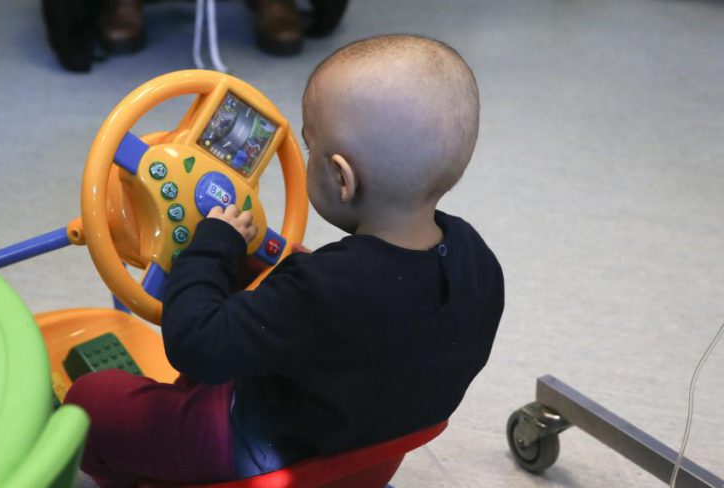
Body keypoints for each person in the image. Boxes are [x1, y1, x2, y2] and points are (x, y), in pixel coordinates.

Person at [65, 34, 504, 487]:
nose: (306, 155)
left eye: (310, 147)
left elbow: (194, 347)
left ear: (341, 178)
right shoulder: (477, 260)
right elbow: (373, 311)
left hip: (261, 447)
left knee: (90, 401)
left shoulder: (321, 290)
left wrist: (211, 244)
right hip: (367, 444)